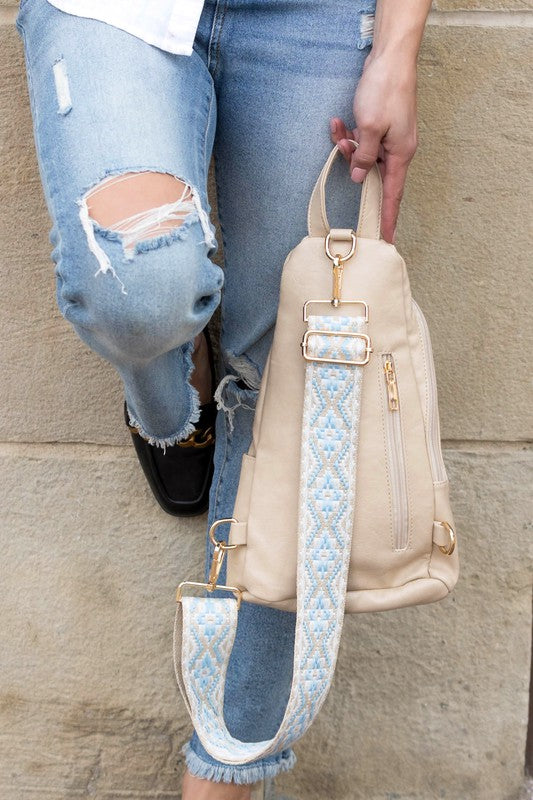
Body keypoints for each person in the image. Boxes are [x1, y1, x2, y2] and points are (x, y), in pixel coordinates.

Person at [14, 1, 432, 797]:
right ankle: (173, 412)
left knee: (304, 376)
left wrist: (397, 49)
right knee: (139, 294)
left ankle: (228, 769)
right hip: (110, 12)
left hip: (318, 17)